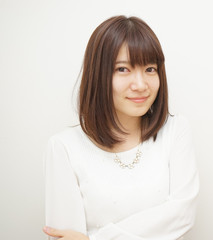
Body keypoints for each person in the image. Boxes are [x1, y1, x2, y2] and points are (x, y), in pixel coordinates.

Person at [43, 15, 199, 240]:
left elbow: (183, 215)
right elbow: (66, 236)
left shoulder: (175, 130)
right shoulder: (64, 147)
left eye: (150, 69)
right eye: (123, 69)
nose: (140, 85)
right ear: (98, 75)